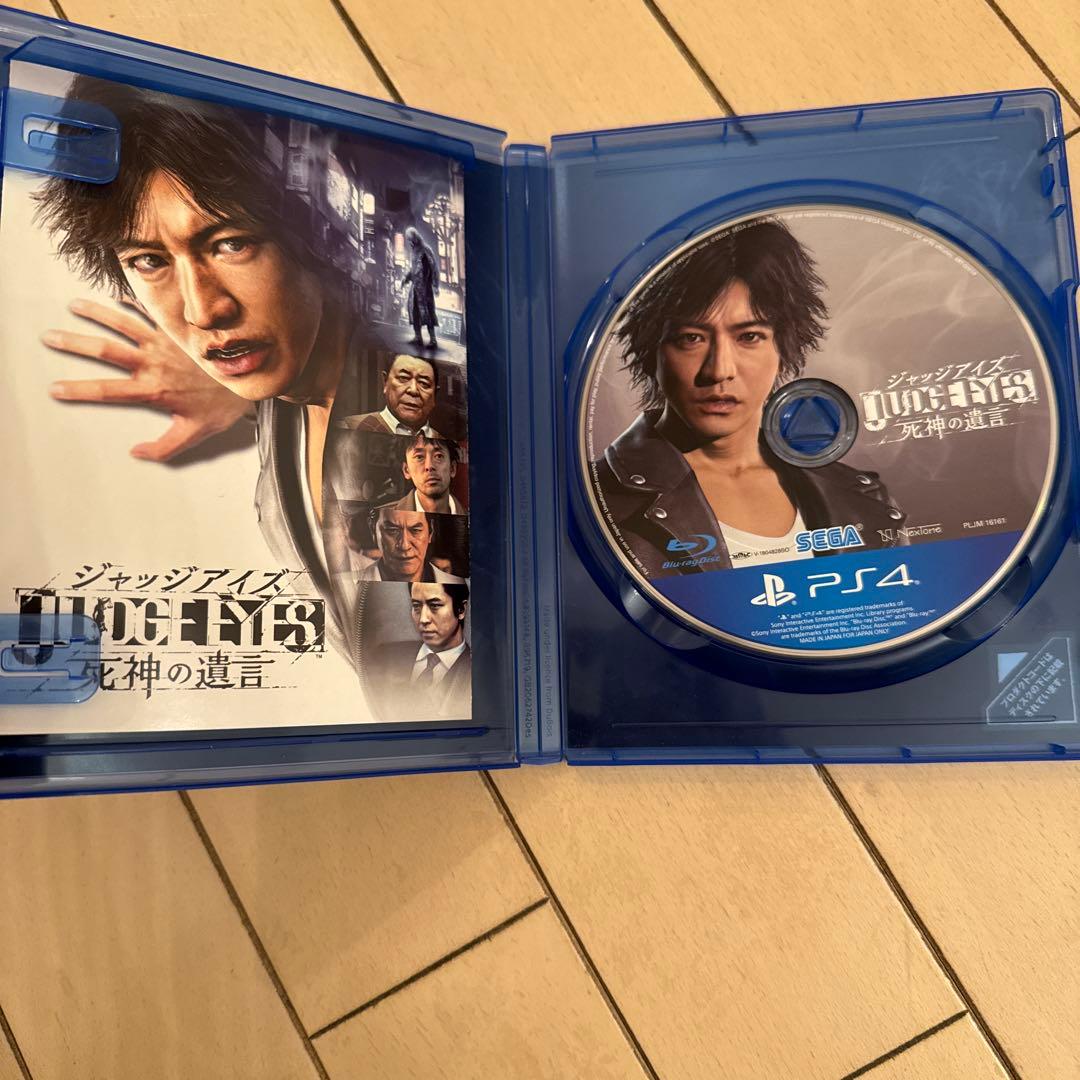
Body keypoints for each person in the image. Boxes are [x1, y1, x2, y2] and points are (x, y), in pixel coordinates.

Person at [34, 76, 378, 655]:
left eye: (231, 244)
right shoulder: (280, 407)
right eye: (149, 261)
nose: (202, 310)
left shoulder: (414, 386)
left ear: (316, 233)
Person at [594, 219, 905, 577]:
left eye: (749, 337)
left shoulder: (862, 498)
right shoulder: (602, 500)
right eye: (691, 338)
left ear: (783, 347)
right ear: (652, 351)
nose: (719, 370)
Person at [371, 582, 471, 719]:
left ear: (461, 610)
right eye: (416, 606)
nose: (423, 619)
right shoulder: (384, 657)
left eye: (435, 605)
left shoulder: (479, 674)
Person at [341, 352, 444, 436]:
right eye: (403, 378)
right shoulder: (349, 426)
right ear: (385, 382)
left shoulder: (445, 444)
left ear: (435, 394)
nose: (413, 390)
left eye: (424, 383)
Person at [357, 506, 465, 583]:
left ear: (431, 532)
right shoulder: (351, 586)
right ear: (372, 530)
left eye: (416, 530)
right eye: (392, 530)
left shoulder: (458, 583)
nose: (404, 546)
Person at [390, 433, 465, 514]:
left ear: (452, 468)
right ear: (406, 470)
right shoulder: (384, 517)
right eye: (419, 457)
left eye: (438, 456)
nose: (429, 466)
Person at [403, 226, 439, 349]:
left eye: (410, 239)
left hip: (425, 288)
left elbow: (434, 267)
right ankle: (418, 337)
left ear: (416, 237)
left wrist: (435, 285)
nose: (409, 242)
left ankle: (433, 340)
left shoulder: (425, 249)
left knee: (427, 312)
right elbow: (413, 269)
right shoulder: (414, 252)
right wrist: (406, 278)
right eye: (408, 239)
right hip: (415, 288)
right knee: (414, 311)